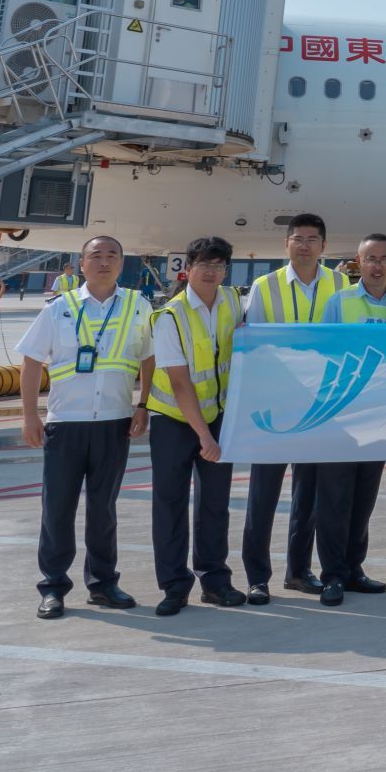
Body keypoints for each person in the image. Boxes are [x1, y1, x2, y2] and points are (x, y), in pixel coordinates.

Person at [16, 236, 153, 619]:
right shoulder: (59, 308)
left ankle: (103, 584)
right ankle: (53, 587)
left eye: (112, 255)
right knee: (57, 509)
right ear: (81, 264)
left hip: (114, 423)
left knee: (103, 510)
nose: (104, 262)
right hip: (66, 425)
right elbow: (30, 361)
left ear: (121, 263)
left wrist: (144, 405)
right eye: (96, 255)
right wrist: (30, 415)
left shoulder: (138, 306)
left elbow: (149, 358)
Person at [240, 213, 347, 604]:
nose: (304, 245)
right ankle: (257, 577)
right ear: (286, 244)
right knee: (263, 497)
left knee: (309, 497)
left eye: (312, 239)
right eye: (298, 239)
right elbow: (253, 345)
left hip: (320, 406)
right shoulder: (264, 286)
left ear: (323, 246)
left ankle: (298, 572)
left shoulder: (341, 284)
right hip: (275, 406)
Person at [146, 237, 246, 615]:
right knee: (170, 503)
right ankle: (174, 585)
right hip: (174, 420)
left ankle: (215, 581)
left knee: (215, 504)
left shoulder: (233, 302)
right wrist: (204, 435)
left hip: (217, 415)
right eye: (204, 264)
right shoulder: (170, 316)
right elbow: (179, 382)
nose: (211, 272)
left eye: (219, 265)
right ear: (187, 269)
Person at [314, 233, 386, 606]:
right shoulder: (340, 302)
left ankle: (353, 569)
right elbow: (323, 353)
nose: (377, 266)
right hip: (342, 414)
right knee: (335, 499)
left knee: (364, 498)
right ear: (358, 263)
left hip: (380, 415)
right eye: (370, 259)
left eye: (384, 259)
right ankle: (332, 575)